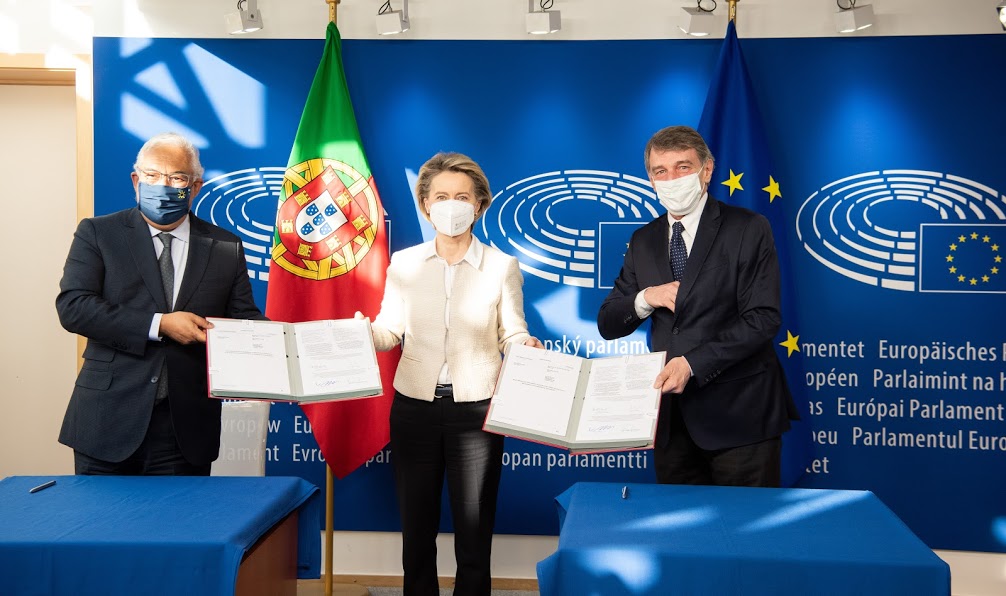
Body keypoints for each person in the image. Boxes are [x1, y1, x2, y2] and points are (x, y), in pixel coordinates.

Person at [366, 152, 542, 596]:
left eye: (462, 196)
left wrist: (526, 347)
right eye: (441, 196)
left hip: (477, 411)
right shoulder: (404, 264)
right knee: (416, 526)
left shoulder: (502, 266)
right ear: (425, 205)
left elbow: (513, 331)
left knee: (475, 526)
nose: (451, 205)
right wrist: (359, 336)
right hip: (413, 408)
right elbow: (389, 330)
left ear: (479, 205)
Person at [597, 125, 798, 488]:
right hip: (672, 425)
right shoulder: (643, 240)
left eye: (683, 167)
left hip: (741, 418)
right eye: (661, 171)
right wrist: (646, 298)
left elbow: (763, 319)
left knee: (743, 539)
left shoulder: (748, 228)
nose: (671, 179)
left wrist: (692, 364)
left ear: (707, 170)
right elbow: (609, 322)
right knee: (680, 539)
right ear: (651, 179)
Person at [56, 132, 264, 476]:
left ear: (195, 187)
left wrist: (291, 348)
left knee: (178, 529)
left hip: (185, 428)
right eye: (152, 176)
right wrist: (160, 324)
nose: (162, 186)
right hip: (107, 419)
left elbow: (243, 318)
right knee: (102, 528)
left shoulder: (226, 246)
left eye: (176, 178)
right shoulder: (98, 233)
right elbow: (74, 307)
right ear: (136, 181)